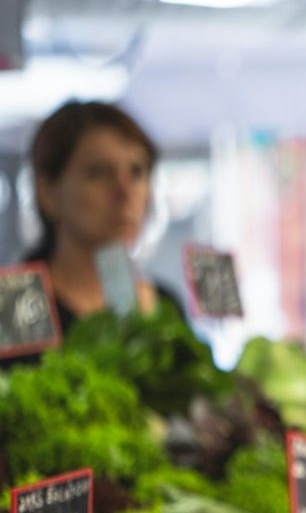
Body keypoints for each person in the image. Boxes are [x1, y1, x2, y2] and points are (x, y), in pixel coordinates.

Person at [4, 100, 182, 366]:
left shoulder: (166, 307)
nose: (124, 192)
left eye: (137, 171)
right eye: (98, 173)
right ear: (49, 192)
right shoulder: (15, 304)